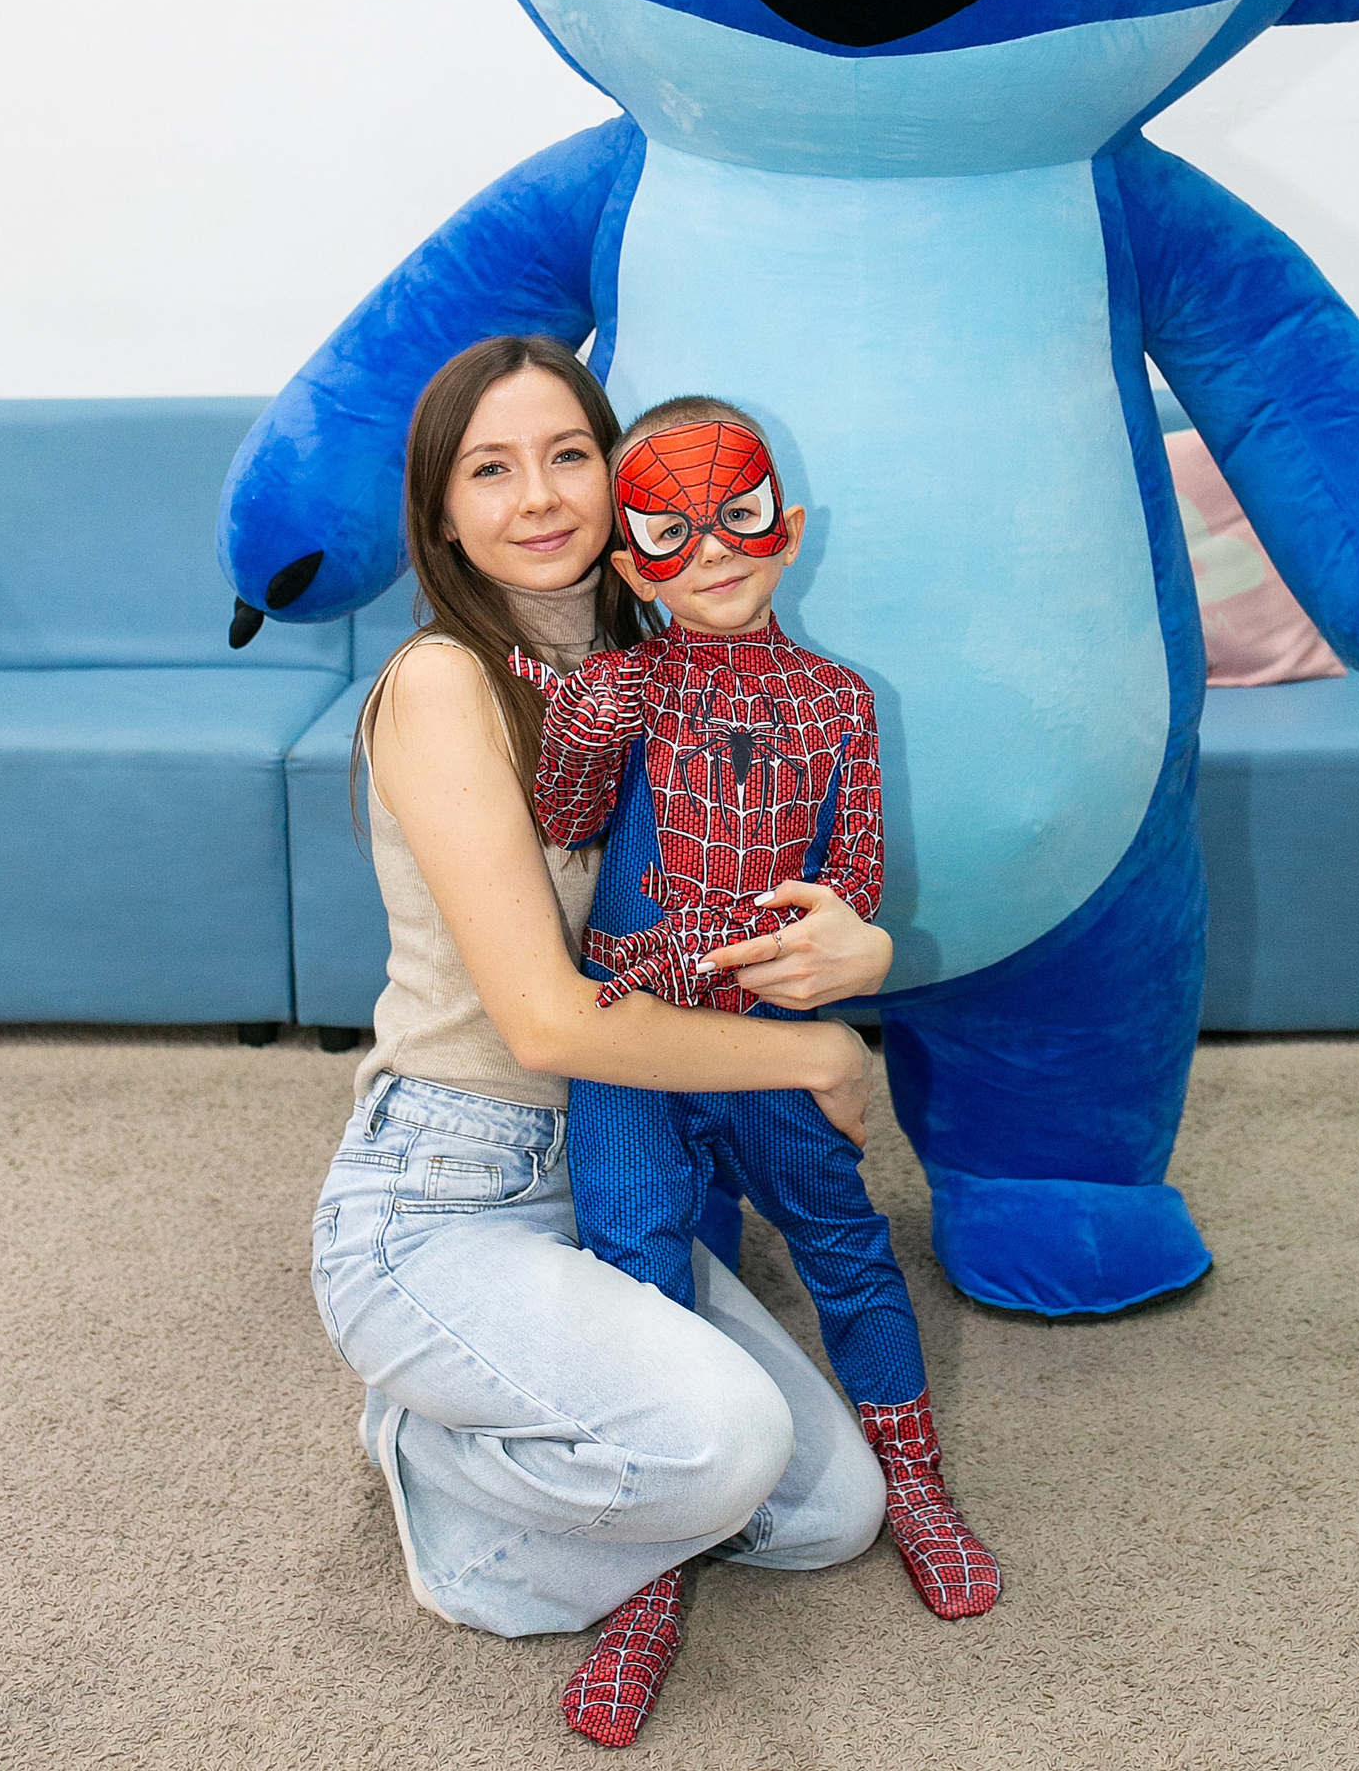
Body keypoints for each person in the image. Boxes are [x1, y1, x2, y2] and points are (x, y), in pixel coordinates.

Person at [308, 335, 895, 1753]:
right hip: (444, 1187)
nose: (538, 496)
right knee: (720, 1450)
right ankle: (432, 1452)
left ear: (618, 478)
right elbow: (547, 1019)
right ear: (442, 515)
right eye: (489, 469)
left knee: (831, 1514)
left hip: (609, 1169)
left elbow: (776, 901)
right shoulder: (444, 683)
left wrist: (863, 955)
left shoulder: (664, 663)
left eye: (568, 454)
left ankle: (549, 1427)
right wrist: (822, 1056)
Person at [522, 399, 1000, 1712]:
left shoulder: (838, 701)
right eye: (670, 534)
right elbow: (565, 822)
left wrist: (848, 946)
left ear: (784, 528)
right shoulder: (627, 688)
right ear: (632, 565)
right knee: (635, 1268)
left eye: (737, 517)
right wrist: (586, 725)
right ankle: (649, 1562)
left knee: (845, 1243)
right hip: (632, 1050)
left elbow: (850, 881)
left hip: (772, 1045)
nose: (714, 552)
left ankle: (915, 1482)